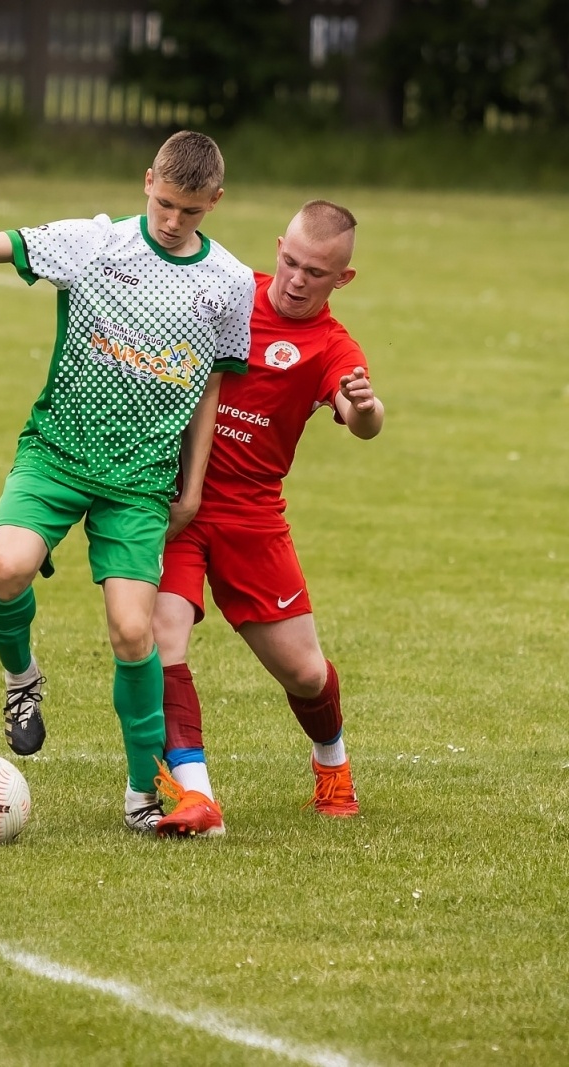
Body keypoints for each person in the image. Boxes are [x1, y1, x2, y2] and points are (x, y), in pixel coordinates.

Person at [0, 132, 255, 832]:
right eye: (162, 202)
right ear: (146, 180)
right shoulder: (94, 244)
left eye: (189, 211)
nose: (172, 220)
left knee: (130, 631)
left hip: (141, 482)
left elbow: (212, 384)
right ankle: (21, 679)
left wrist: (194, 486)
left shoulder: (231, 283)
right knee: (8, 568)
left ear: (215, 201)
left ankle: (142, 797)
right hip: (56, 452)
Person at [149, 200, 384, 838]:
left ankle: (332, 766)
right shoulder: (228, 291)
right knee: (162, 639)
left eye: (316, 272)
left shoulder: (333, 346)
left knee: (305, 672)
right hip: (174, 502)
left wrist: (364, 407)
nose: (297, 279)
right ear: (277, 246)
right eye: (290, 261)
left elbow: (362, 418)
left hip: (252, 514)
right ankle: (194, 796)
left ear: (344, 279)